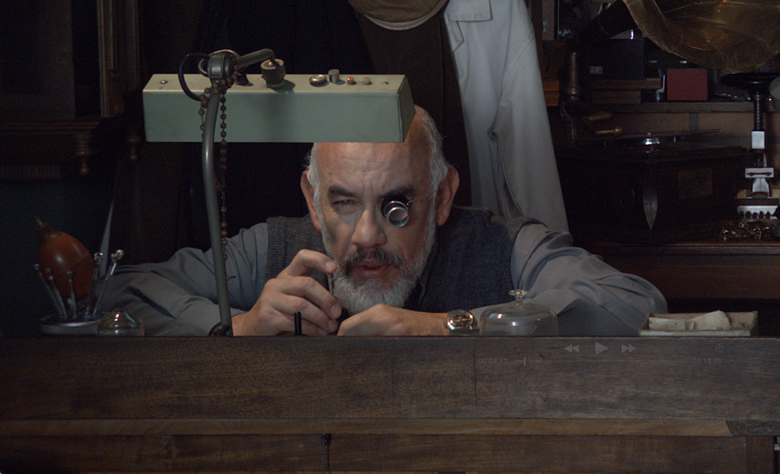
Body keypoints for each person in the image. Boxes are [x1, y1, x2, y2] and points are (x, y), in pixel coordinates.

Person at [100, 106, 666, 336]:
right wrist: (236, 328)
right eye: (344, 204)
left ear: (442, 197)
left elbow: (633, 302)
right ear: (313, 199)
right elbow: (113, 293)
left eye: (397, 205)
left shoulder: (502, 244)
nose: (368, 236)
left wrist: (447, 328)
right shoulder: (271, 251)